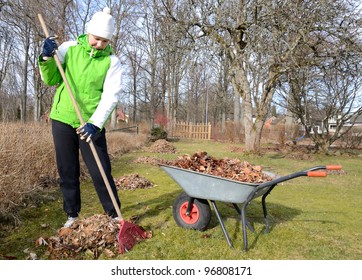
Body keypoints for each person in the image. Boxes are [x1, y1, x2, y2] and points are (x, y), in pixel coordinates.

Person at [38, 7, 122, 228]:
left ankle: (114, 215)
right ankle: (72, 214)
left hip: (90, 123)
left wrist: (95, 123)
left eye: (104, 41)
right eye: (96, 38)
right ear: (89, 32)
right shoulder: (69, 49)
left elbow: (111, 97)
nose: (99, 44)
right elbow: (51, 79)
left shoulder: (112, 62)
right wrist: (46, 57)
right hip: (63, 118)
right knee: (67, 169)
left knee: (100, 169)